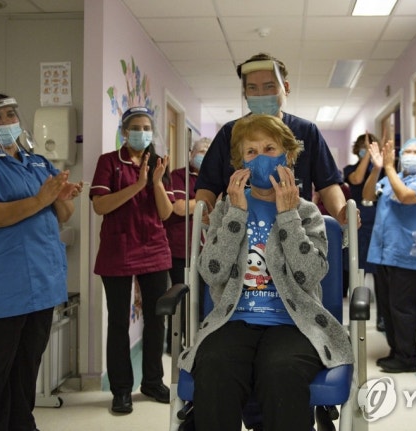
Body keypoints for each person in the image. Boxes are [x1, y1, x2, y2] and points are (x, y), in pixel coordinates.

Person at [178, 114, 354, 431]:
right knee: (215, 366)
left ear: (288, 156)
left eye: (270, 149)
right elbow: (212, 273)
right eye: (251, 151)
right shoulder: (225, 209)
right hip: (234, 319)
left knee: (281, 370)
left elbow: (309, 275)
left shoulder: (307, 212)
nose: (261, 158)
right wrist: (235, 215)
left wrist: (287, 217)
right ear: (240, 163)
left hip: (294, 322)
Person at [0, 92, 82, 431]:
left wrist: (60, 197)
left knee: (26, 372)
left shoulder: (37, 163)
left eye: (11, 114)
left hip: (41, 286)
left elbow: (64, 213)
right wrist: (40, 199)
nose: (8, 121)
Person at [194, 52, 352, 226]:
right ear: (245, 93)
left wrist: (341, 212)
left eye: (269, 86)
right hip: (240, 230)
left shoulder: (306, 131)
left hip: (295, 227)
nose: (261, 94)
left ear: (286, 87)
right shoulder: (230, 133)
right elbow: (207, 185)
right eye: (252, 88)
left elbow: (328, 185)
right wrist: (204, 209)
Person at [90, 106, 173, 414]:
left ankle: (152, 381)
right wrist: (137, 185)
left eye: (146, 128)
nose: (142, 133)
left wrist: (156, 182)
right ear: (124, 132)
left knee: (156, 319)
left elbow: (165, 213)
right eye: (136, 127)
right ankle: (121, 390)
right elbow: (100, 206)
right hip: (118, 249)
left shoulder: (158, 163)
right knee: (118, 322)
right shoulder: (109, 162)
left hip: (153, 248)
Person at [362, 138, 416, 373]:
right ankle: (396, 351)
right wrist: (377, 169)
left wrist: (389, 167)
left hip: (408, 254)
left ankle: (408, 358)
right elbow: (368, 196)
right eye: (407, 151)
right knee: (388, 308)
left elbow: (405, 196)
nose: (411, 155)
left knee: (403, 309)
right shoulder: (391, 178)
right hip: (384, 253)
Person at [164, 136, 211, 353]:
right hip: (180, 248)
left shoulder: (214, 178)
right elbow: (179, 208)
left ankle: (199, 343)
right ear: (191, 153)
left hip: (207, 250)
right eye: (200, 151)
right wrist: (207, 201)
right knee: (181, 298)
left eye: (208, 152)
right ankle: (176, 344)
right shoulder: (178, 176)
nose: (204, 155)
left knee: (202, 299)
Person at [343, 132, 383, 328]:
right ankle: (356, 319)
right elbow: (357, 179)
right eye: (362, 148)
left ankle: (383, 318)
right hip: (358, 223)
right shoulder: (350, 169)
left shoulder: (381, 170)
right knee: (357, 269)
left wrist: (376, 163)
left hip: (379, 223)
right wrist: (368, 154)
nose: (365, 150)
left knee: (380, 274)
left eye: (369, 147)